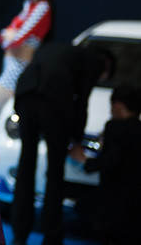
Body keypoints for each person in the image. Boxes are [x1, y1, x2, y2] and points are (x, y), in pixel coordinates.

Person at [10, 43, 115, 245]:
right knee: (55, 172)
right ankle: (52, 234)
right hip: (53, 102)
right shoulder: (94, 61)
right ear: (107, 64)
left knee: (26, 165)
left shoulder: (64, 50)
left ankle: (19, 232)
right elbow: (82, 101)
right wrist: (76, 140)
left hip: (26, 95)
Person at [69, 85, 141, 245]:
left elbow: (110, 161)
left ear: (118, 105)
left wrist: (84, 160)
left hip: (114, 203)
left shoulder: (115, 127)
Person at [0, 0, 54, 112]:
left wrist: (12, 36)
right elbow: (3, 36)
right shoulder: (28, 5)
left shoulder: (42, 8)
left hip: (18, 72)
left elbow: (14, 40)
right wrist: (10, 37)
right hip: (9, 69)